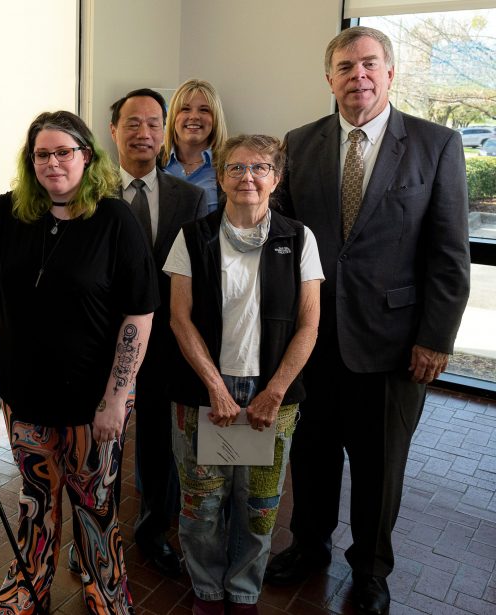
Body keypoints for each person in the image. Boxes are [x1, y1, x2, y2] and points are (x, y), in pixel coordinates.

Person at [265, 27, 470, 615]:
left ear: (390, 73)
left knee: (381, 466)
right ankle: (309, 545)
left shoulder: (436, 145)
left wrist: (435, 338)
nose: (359, 75)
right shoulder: (299, 144)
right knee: (313, 452)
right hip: (312, 340)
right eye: (345, 66)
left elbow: (449, 255)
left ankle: (372, 570)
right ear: (328, 78)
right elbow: (282, 240)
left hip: (394, 345)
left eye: (370, 64)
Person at [0, 110, 157, 614]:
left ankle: (104, 587)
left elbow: (138, 315)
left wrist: (117, 399)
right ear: (30, 161)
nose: (53, 162)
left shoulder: (114, 219)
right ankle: (28, 585)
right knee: (36, 498)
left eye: (64, 151)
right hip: (24, 395)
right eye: (42, 153)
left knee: (95, 505)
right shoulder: (9, 216)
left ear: (87, 156)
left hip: (91, 401)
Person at [164, 134, 323, 615]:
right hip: (203, 392)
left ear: (276, 178)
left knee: (259, 506)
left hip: (269, 396)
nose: (246, 177)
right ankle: (208, 591)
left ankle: (244, 590)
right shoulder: (193, 236)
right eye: (235, 168)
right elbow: (179, 318)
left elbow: (310, 323)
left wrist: (274, 391)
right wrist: (215, 387)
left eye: (259, 168)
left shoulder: (298, 239)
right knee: (201, 505)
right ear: (221, 176)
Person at [80, 87, 207, 578]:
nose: (144, 133)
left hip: (165, 345)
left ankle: (153, 531)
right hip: (98, 344)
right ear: (112, 131)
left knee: (158, 445)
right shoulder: (87, 194)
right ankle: (94, 534)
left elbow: (196, 277)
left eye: (154, 123)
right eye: (132, 123)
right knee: (95, 446)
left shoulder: (189, 198)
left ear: (166, 132)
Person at [161, 79, 228, 211]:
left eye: (204, 110)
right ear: (173, 117)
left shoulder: (229, 166)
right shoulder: (154, 162)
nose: (194, 116)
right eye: (185, 109)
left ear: (215, 119)